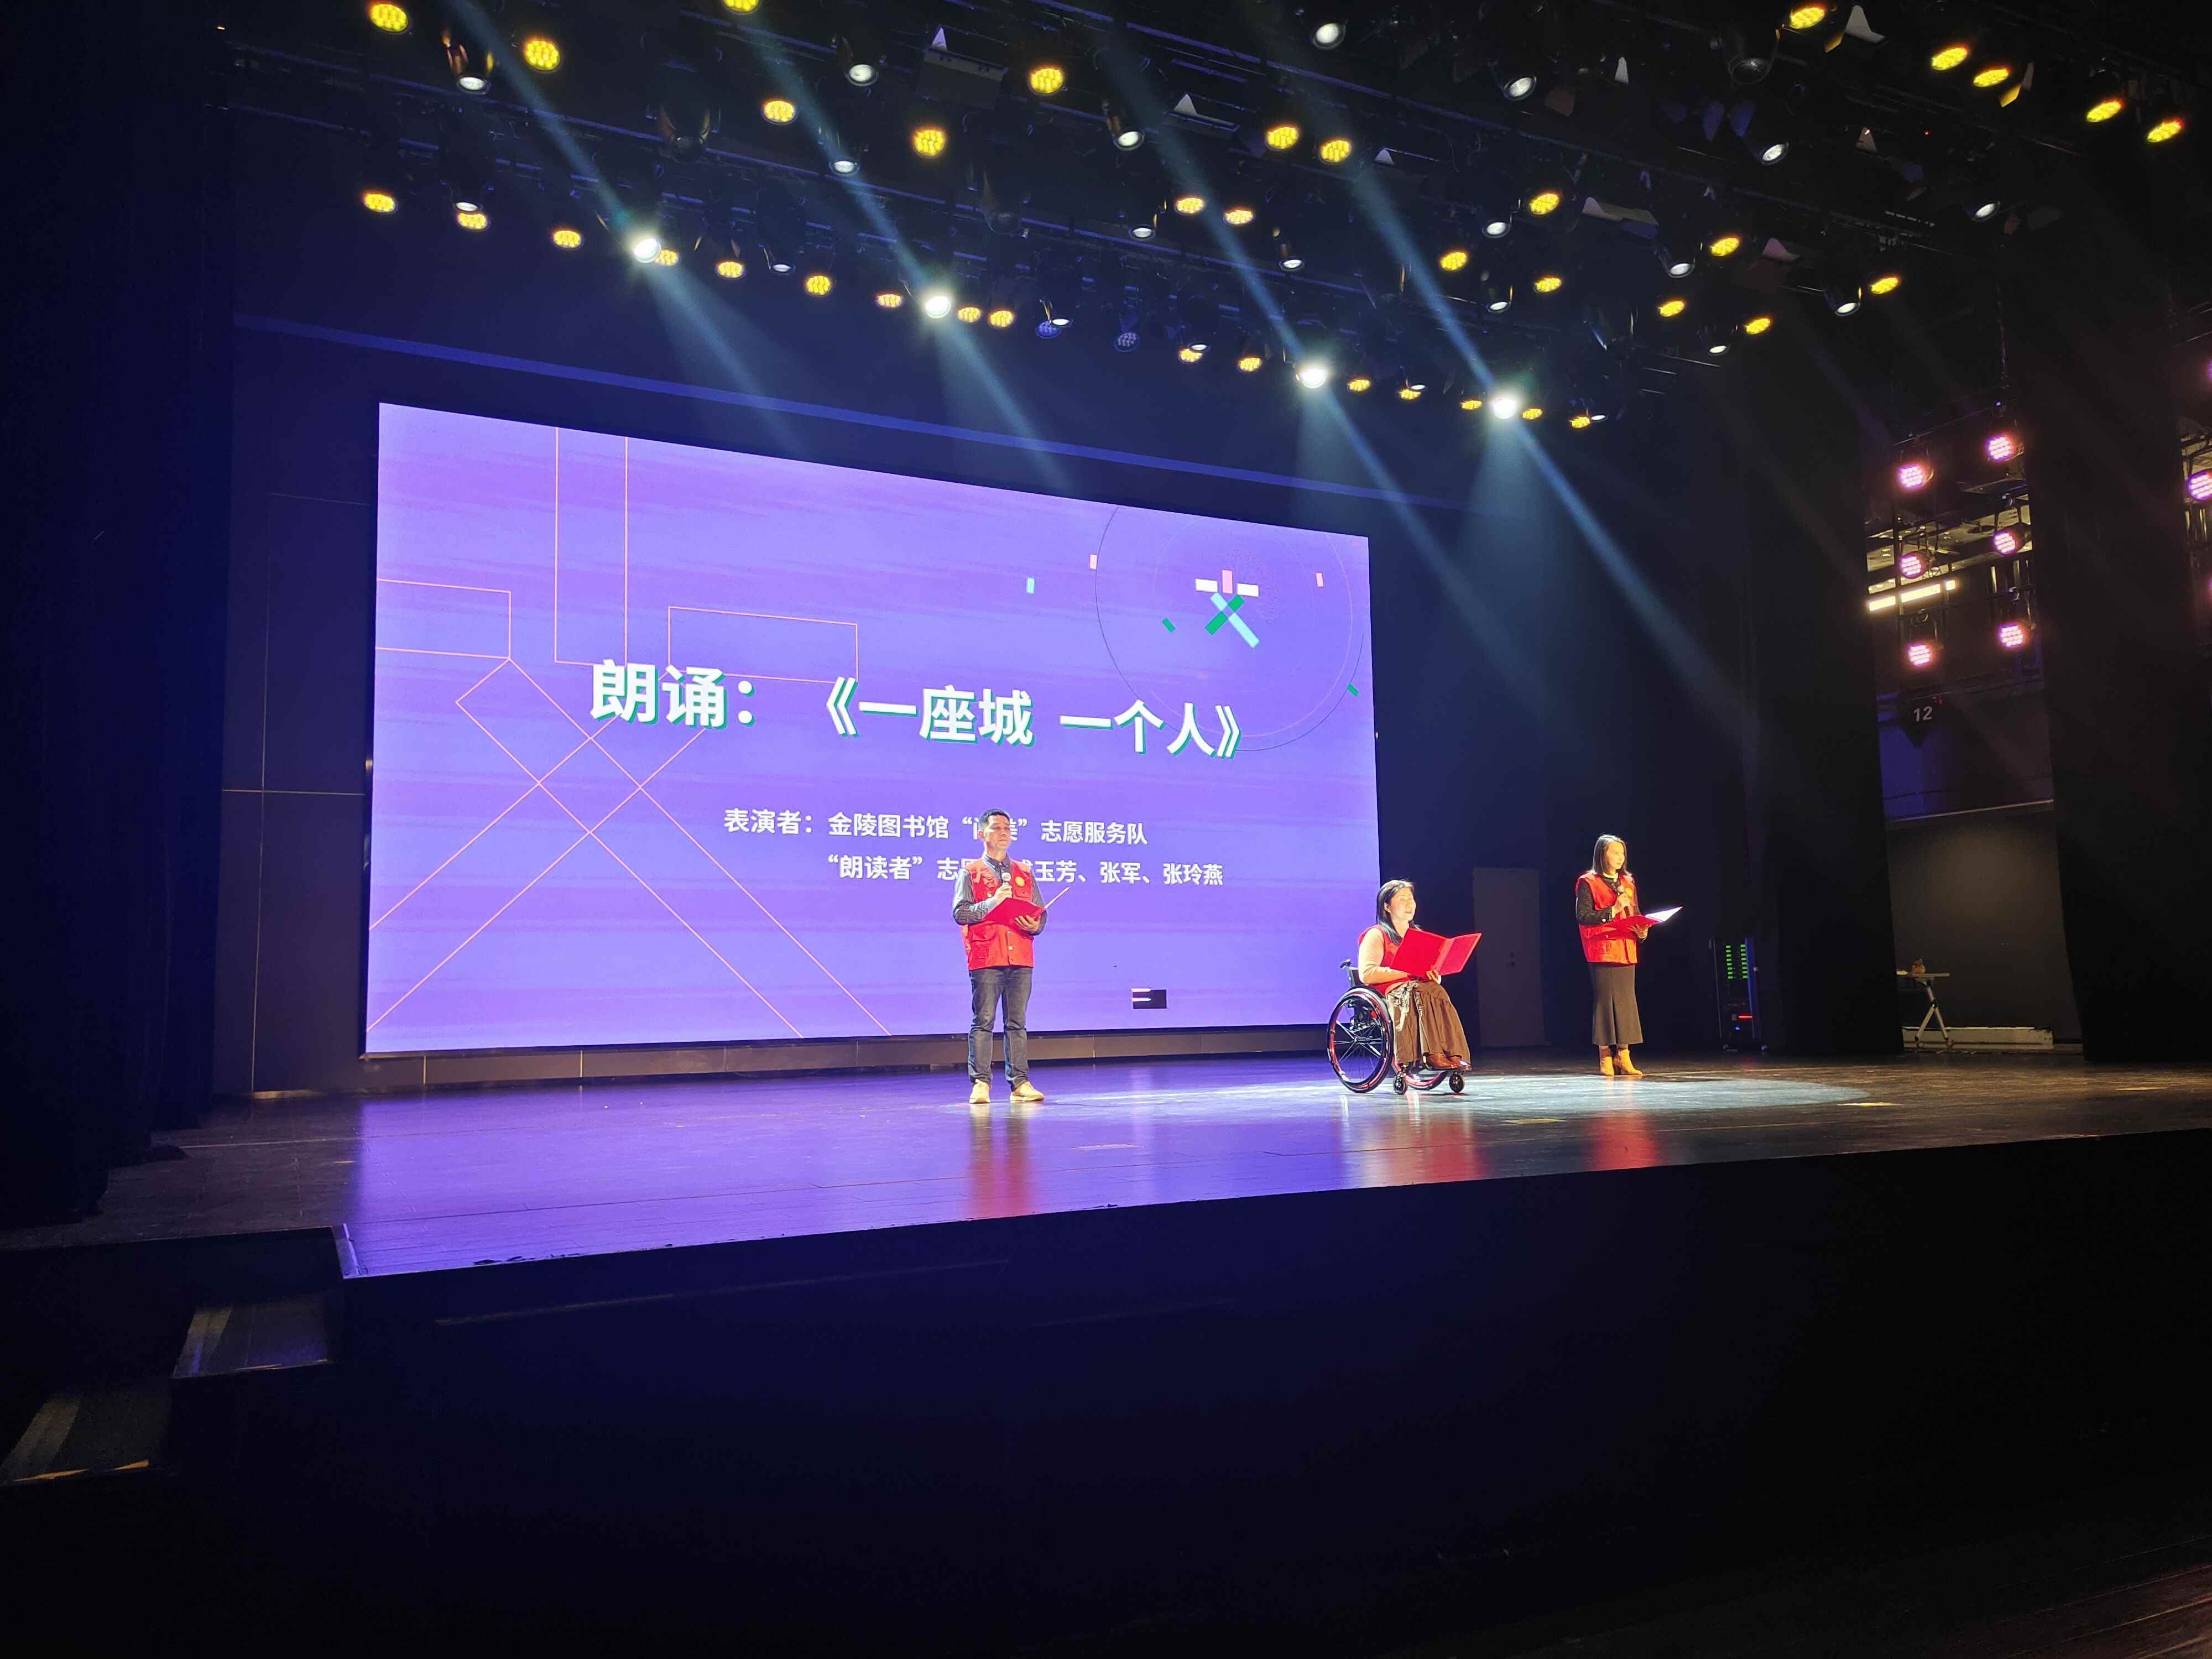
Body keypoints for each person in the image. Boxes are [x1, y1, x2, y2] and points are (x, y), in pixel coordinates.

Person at [952, 808, 1047, 1107]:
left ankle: (1020, 1083)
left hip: (1020, 954)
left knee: (1017, 1022)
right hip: (987, 955)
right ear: (982, 834)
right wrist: (993, 903)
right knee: (984, 1021)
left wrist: (1035, 925)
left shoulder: (1024, 872)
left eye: (1007, 827)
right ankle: (981, 1083)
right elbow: (961, 913)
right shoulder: (971, 872)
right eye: (996, 828)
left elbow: (1040, 914)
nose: (1004, 832)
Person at [1356, 880, 1471, 1072]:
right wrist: (1407, 972)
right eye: (1402, 899)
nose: (1409, 904)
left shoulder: (1419, 935)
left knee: (1437, 990)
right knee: (1418, 991)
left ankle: (1454, 1053)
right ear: (1387, 907)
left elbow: (1425, 970)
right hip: (1390, 992)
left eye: (1411, 899)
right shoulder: (1377, 935)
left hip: (1417, 988)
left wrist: (1434, 975)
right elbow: (1367, 974)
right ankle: (1433, 1054)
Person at [1575, 834, 1648, 1077]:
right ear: (1602, 855)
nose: (1620, 857)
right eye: (1615, 852)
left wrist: (1642, 930)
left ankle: (1623, 1055)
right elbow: (1583, 916)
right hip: (1603, 948)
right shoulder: (1589, 882)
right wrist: (1613, 909)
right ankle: (1605, 1055)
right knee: (1605, 1001)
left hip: (1626, 948)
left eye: (1622, 853)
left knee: (1627, 1001)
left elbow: (1635, 912)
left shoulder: (1628, 881)